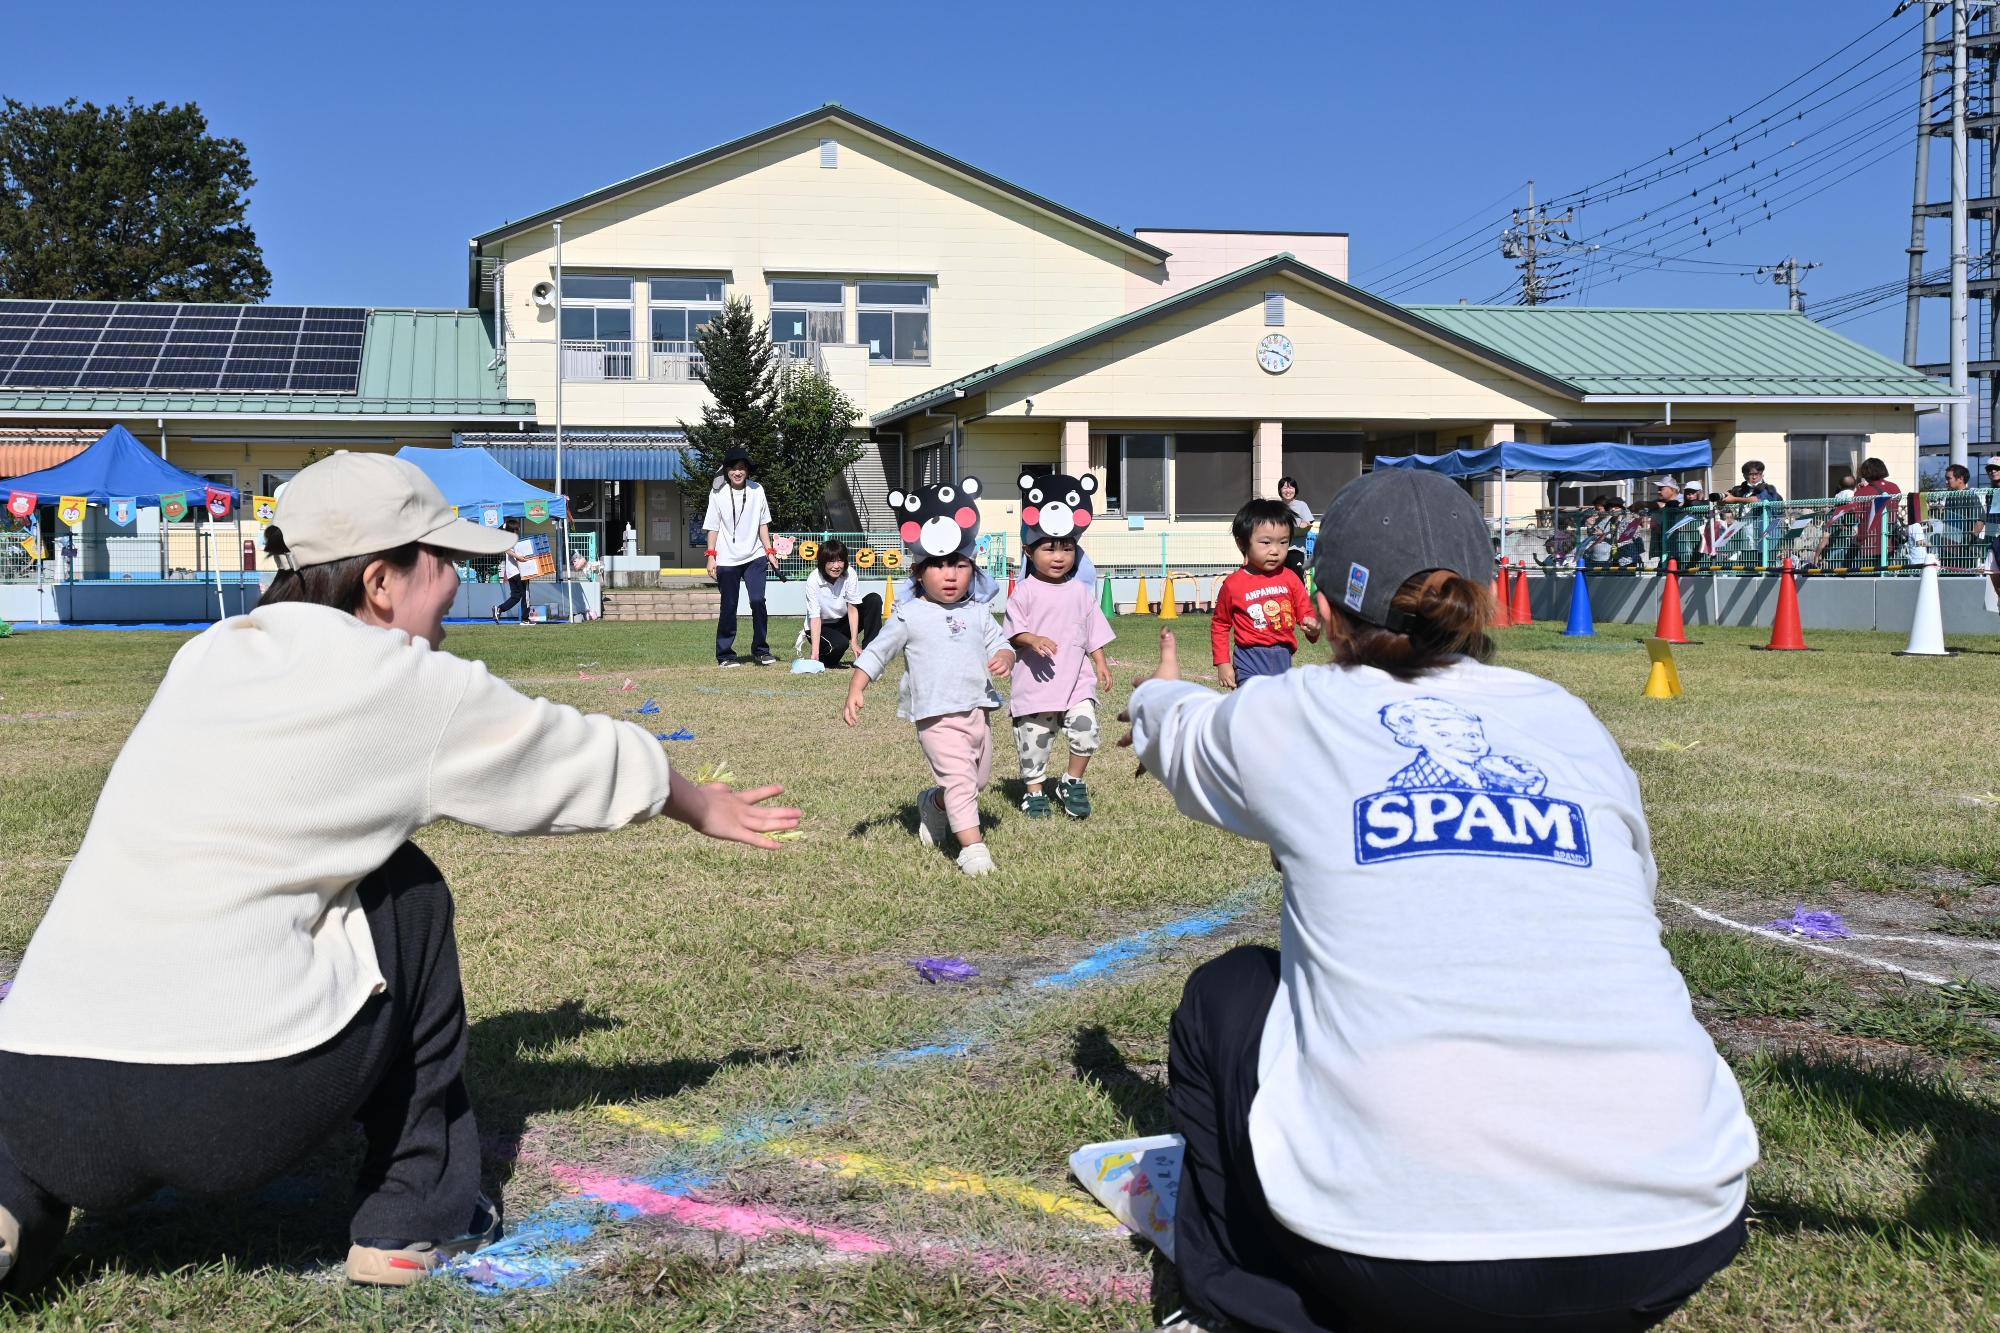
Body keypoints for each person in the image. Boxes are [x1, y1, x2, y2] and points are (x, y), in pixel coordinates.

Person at [0, 452, 798, 1298]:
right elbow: (566, 755)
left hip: (35, 1083)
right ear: (382, 582)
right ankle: (412, 1212)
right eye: (443, 559)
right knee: (407, 889)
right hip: (223, 1107)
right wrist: (697, 802)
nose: (458, 582)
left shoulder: (209, 655)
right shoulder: (399, 677)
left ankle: (13, 1199)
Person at [1122, 467, 1757, 1333]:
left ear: (1325, 608)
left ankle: (1244, 1306)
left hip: (1398, 1253)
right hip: (1673, 1232)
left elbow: (1177, 727)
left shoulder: (1297, 709)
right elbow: (1633, 895)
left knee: (1228, 994)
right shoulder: (1566, 717)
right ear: (1479, 598)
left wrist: (1151, 696)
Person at [845, 477, 1014, 877]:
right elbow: (878, 651)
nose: (950, 574)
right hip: (935, 716)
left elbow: (999, 642)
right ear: (920, 572)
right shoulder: (910, 614)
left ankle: (933, 805)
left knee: (976, 783)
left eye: (959, 565)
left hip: (978, 711)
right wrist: (857, 687)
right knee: (960, 780)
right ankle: (973, 849)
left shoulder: (977, 612)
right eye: (938, 565)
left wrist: (1005, 656)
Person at [1003, 533, 1114, 820]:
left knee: (1087, 731)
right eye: (1049, 550)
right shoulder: (1025, 591)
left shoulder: (1079, 591)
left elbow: (1092, 629)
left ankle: (1072, 782)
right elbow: (1013, 631)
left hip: (1077, 680)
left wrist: (1100, 661)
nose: (1059, 557)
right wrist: (1032, 639)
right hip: (1036, 683)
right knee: (1035, 742)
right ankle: (1035, 792)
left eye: (1067, 549)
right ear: (1029, 552)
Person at [1211, 499, 1321, 690]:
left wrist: (1313, 627)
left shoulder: (1291, 579)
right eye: (1266, 542)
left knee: (1279, 710)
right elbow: (1220, 624)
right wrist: (1223, 662)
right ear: (1242, 543)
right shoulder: (1233, 584)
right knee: (1252, 708)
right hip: (1249, 658)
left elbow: (1306, 613)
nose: (1275, 551)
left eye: (1283, 542)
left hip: (1283, 658)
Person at [702, 446, 779, 668]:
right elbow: (713, 527)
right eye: (734, 468)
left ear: (747, 471)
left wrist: (770, 551)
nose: (738, 472)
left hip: (755, 556)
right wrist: (711, 556)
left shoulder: (757, 490)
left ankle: (761, 650)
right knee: (729, 605)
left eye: (742, 468)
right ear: (727, 471)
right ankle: (725, 655)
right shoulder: (717, 493)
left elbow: (763, 524)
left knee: (758, 601)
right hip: (726, 559)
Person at [803, 539, 882, 668]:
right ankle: (824, 659)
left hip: (842, 622)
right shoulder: (813, 580)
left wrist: (855, 642)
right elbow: (815, 618)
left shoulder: (850, 573)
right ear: (822, 563)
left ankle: (870, 655)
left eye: (840, 561)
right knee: (840, 644)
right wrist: (815, 653)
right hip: (821, 626)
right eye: (831, 561)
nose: (836, 566)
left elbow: (852, 608)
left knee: (874, 600)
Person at [491, 521, 531, 624]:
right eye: (517, 528)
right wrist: (519, 558)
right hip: (518, 573)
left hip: (511, 573)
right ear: (514, 530)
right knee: (525, 595)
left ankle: (499, 609)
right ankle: (525, 619)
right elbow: (507, 550)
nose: (519, 530)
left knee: (516, 597)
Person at [1277, 476, 1314, 577]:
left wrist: (1304, 524)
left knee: (1297, 577)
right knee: (1280, 577)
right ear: (1280, 490)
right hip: (1279, 549)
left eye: (1291, 487)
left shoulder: (1302, 505)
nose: (1288, 490)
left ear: (1295, 490)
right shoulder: (1278, 507)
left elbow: (1307, 522)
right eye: (1285, 488)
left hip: (1296, 549)